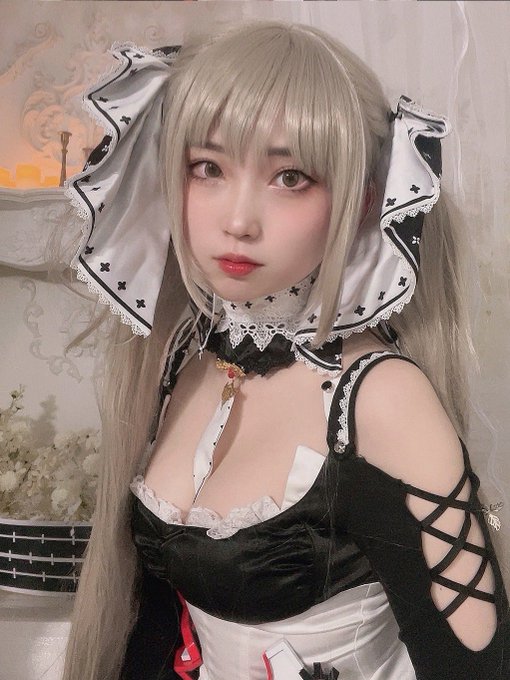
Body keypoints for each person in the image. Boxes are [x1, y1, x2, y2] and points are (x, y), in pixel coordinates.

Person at [62, 21, 509, 680]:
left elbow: (477, 667)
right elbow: (153, 632)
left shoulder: (379, 398)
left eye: (291, 177)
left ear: (362, 201)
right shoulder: (180, 358)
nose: (238, 220)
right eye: (208, 168)